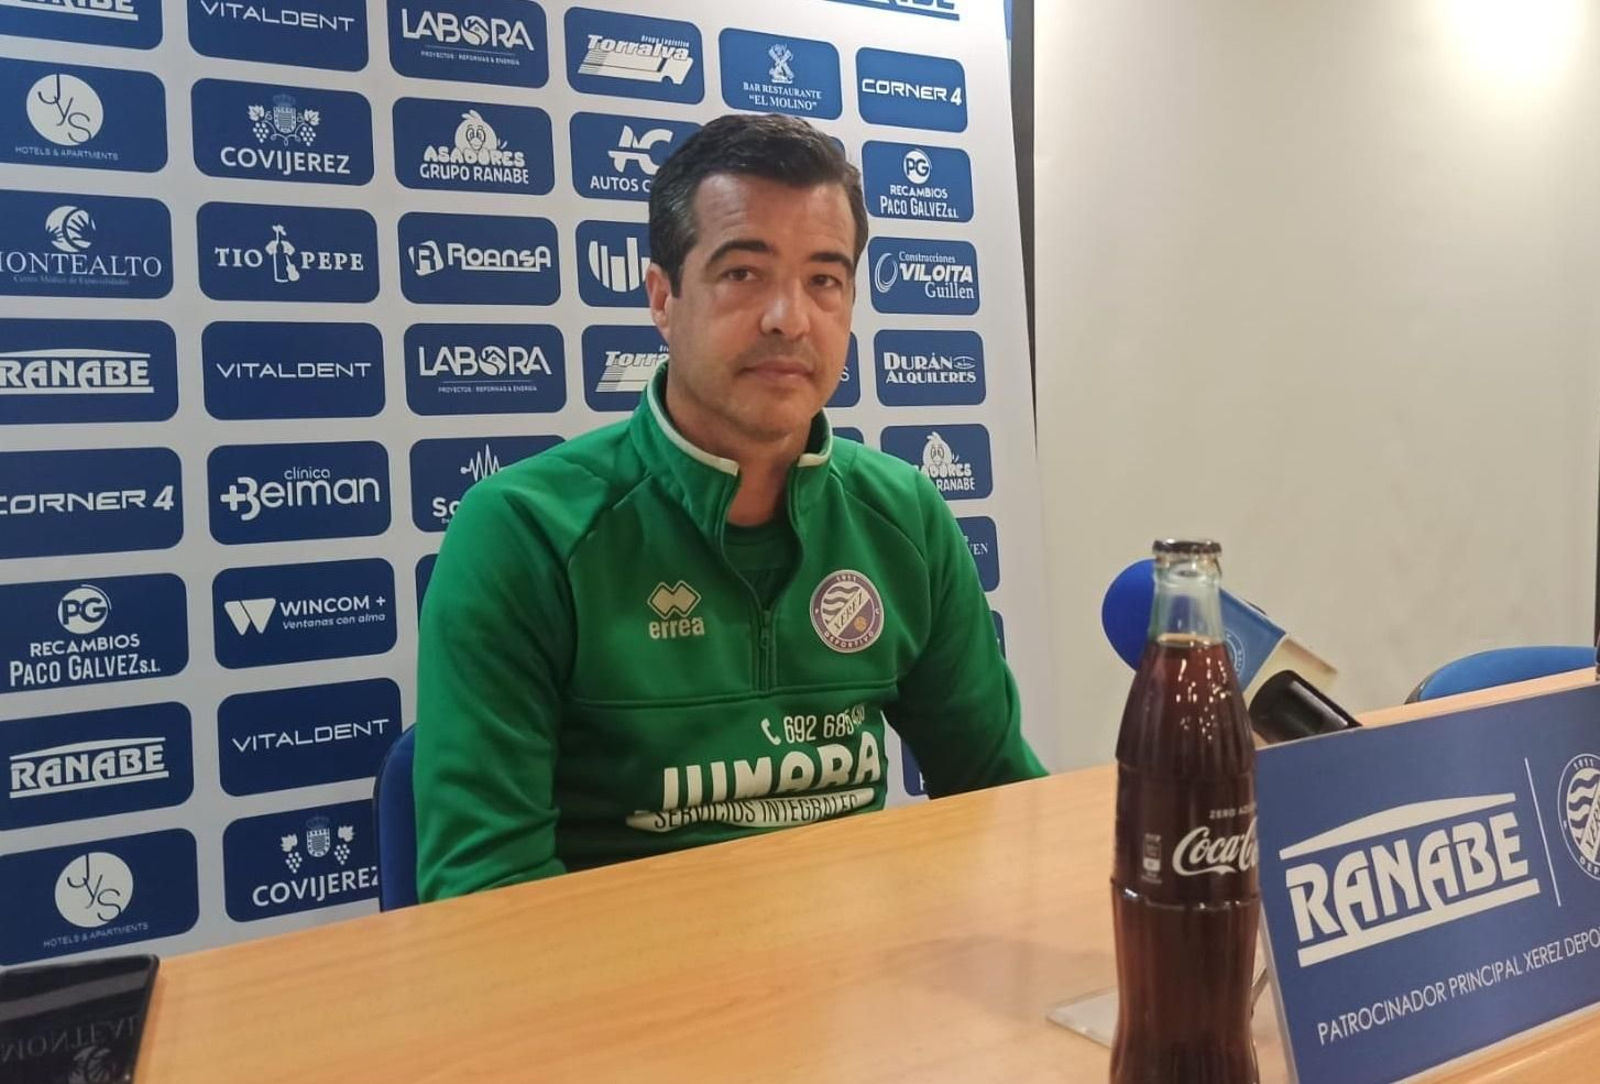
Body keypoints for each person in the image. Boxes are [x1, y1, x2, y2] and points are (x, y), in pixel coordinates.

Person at [413, 113, 1044, 902]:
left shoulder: (905, 515)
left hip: (859, 998)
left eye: (825, 279)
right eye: (744, 273)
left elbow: (999, 799)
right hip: (627, 1004)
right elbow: (488, 893)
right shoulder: (523, 533)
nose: (790, 317)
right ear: (662, 297)